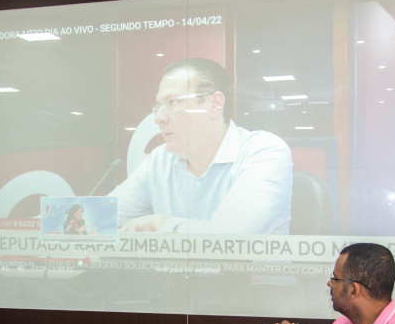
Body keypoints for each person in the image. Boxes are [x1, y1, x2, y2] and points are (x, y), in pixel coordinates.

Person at [110, 58, 292, 234]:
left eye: (172, 102)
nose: (159, 118)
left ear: (214, 105)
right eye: (158, 106)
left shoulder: (264, 151)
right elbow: (97, 220)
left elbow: (233, 238)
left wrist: (161, 224)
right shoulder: (160, 160)